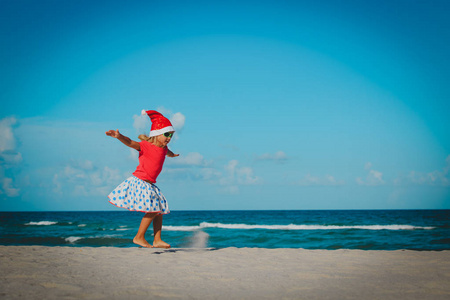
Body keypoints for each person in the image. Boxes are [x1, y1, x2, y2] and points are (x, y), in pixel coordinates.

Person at [106, 110, 179, 248]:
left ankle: (157, 240)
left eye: (171, 135)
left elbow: (166, 152)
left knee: (160, 209)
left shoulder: (164, 148)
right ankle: (139, 237)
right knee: (153, 209)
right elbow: (129, 142)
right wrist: (119, 136)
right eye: (167, 134)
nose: (169, 137)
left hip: (150, 184)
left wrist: (172, 154)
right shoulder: (146, 146)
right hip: (140, 181)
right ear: (157, 134)